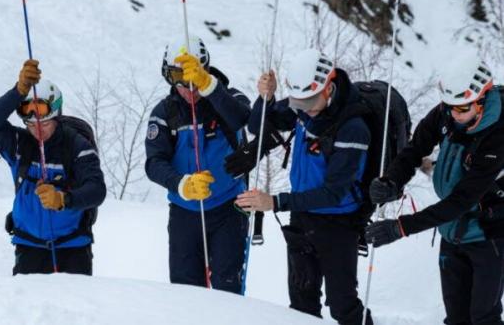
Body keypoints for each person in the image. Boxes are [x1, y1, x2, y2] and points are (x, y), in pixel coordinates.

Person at [233, 49, 373, 324]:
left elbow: (334, 194)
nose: (304, 107)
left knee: (343, 306)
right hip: (302, 217)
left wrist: (275, 202)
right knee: (301, 303)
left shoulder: (353, 128)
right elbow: (256, 126)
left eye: (309, 99)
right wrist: (267, 97)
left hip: (338, 223)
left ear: (328, 86)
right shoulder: (302, 106)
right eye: (299, 101)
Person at [366, 56, 504, 325]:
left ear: (482, 99)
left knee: (483, 317)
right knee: (455, 317)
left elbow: (462, 200)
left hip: (490, 234)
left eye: (462, 108)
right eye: (449, 106)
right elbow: (415, 149)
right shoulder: (448, 112)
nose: (454, 114)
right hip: (451, 230)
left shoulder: (497, 135)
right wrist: (392, 182)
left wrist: (402, 227)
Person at [144, 36, 251, 294]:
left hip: (228, 208)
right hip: (184, 212)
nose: (189, 90)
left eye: (195, 81)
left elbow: (243, 118)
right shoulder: (164, 112)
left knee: (228, 289)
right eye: (179, 81)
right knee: (185, 292)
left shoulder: (229, 97)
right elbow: (154, 163)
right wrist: (181, 184)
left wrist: (210, 87)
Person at [0, 60, 106, 275]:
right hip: (28, 247)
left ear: (57, 116)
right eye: (30, 124)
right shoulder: (19, 145)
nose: (37, 130)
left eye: (45, 124)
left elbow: (97, 190)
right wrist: (18, 92)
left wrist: (63, 200)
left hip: (73, 249)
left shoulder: (78, 146)